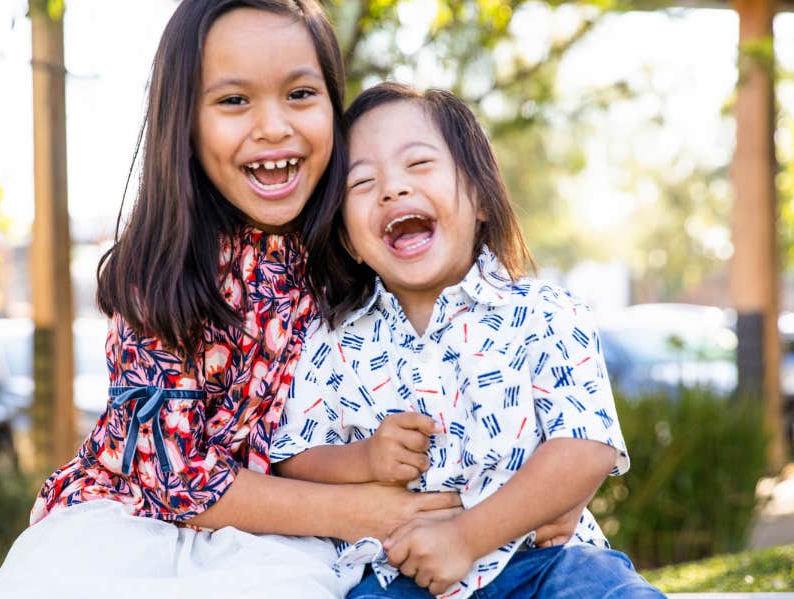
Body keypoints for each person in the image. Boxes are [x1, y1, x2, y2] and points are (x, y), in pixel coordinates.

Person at [0, 4, 468, 597]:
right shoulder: (164, 272)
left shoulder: (356, 252)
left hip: (291, 536)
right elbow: (176, 480)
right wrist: (370, 514)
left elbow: (459, 373)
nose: (272, 127)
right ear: (183, 122)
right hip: (134, 528)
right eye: (234, 101)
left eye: (299, 93)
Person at [271, 82, 667, 598]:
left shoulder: (545, 312)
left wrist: (466, 537)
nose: (392, 189)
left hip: (544, 563)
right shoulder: (333, 342)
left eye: (418, 165)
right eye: (362, 182)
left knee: (605, 587)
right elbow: (294, 456)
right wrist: (363, 459)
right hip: (403, 577)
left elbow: (586, 445)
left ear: (479, 197)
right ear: (349, 239)